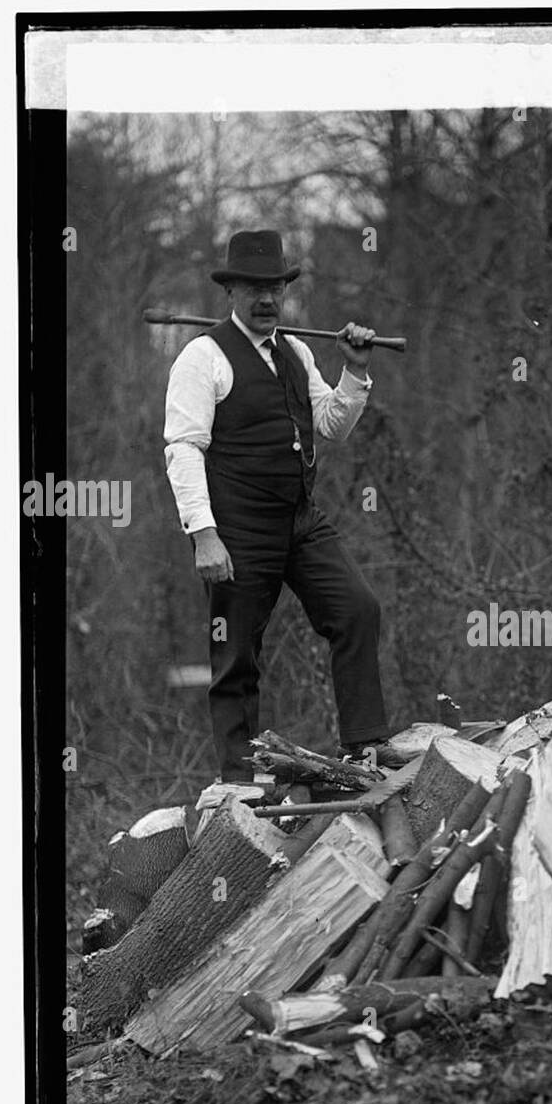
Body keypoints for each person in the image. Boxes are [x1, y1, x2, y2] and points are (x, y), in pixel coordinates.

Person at [163, 228, 401, 785]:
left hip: (299, 521)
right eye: (254, 289)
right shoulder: (203, 358)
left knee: (357, 609)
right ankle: (241, 784)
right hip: (236, 532)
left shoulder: (295, 351)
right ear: (232, 292)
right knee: (235, 656)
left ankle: (364, 746)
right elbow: (183, 449)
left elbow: (330, 425)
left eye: (274, 287)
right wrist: (204, 534)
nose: (267, 299)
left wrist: (357, 369)